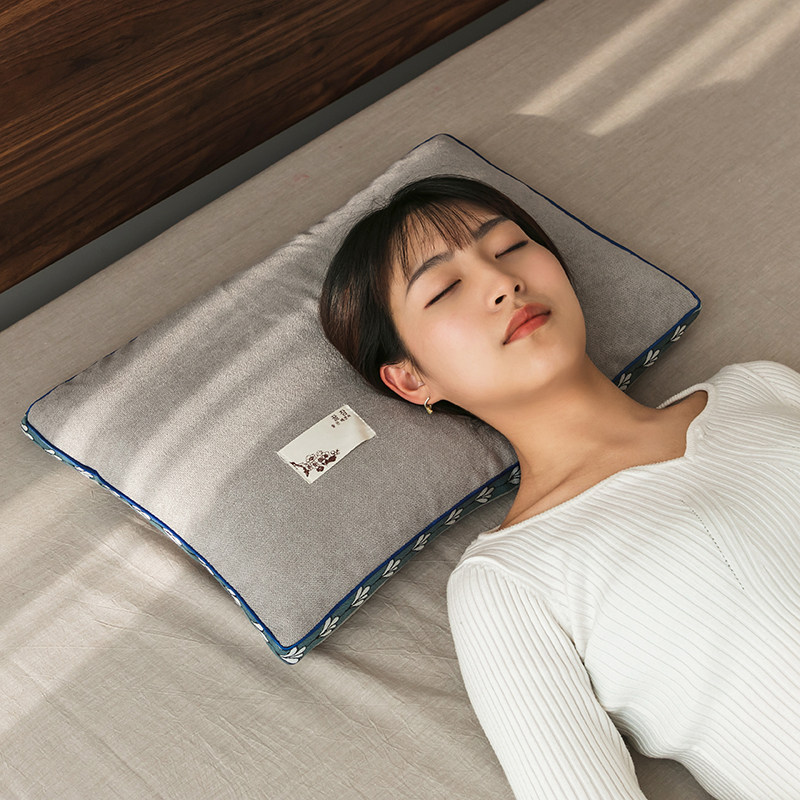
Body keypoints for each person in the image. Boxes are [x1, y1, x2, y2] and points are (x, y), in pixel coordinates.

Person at [319, 174, 800, 800]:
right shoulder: (506, 582)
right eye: (445, 288)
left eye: (510, 247)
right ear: (412, 380)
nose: (503, 282)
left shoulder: (761, 389)